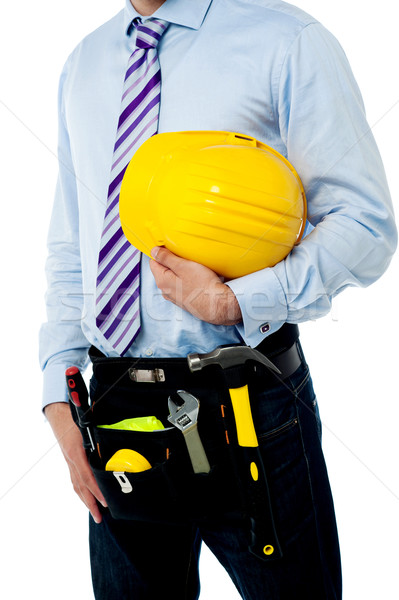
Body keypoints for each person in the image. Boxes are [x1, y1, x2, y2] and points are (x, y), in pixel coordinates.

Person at [39, 0, 397, 598]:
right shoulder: (85, 63)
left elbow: (365, 224)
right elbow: (74, 247)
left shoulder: (288, 41)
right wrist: (60, 391)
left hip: (249, 402)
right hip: (116, 408)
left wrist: (241, 301)